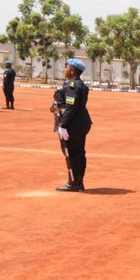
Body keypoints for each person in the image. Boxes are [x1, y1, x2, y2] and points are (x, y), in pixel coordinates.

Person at [53, 59, 92, 192]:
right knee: (79, 152)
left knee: (72, 153)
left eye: (67, 67)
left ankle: (74, 183)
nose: (65, 69)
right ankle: (78, 181)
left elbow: (71, 106)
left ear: (73, 70)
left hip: (73, 124)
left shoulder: (72, 85)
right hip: (80, 122)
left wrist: (63, 125)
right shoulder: (79, 84)